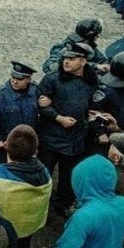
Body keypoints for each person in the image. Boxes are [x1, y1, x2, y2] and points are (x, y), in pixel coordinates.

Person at [36, 41, 100, 216]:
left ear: (83, 61)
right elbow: (40, 103)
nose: (66, 61)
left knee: (68, 177)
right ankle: (41, 207)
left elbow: (95, 101)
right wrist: (59, 118)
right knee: (44, 175)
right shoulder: (53, 79)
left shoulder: (91, 80)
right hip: (51, 138)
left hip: (75, 139)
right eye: (65, 57)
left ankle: (61, 204)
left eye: (72, 58)